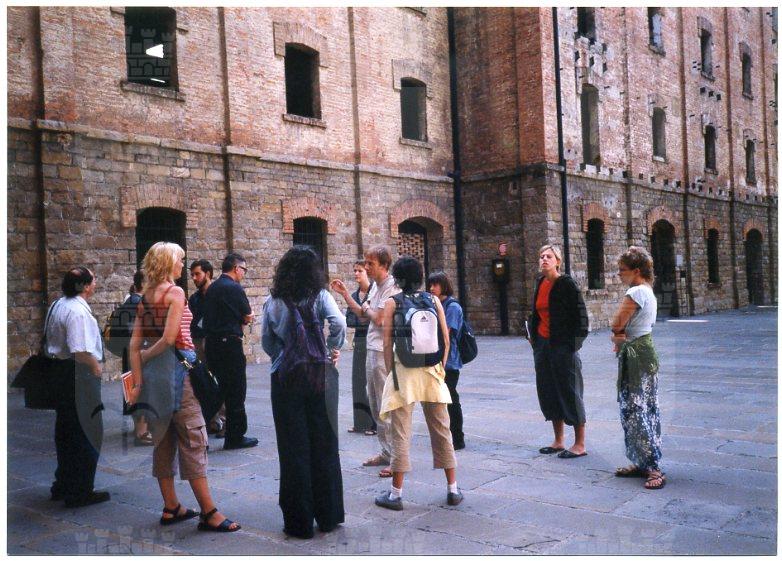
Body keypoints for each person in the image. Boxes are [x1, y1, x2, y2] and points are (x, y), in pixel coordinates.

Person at [128, 242, 240, 531]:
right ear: (168, 262)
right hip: (178, 372)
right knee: (193, 437)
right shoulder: (175, 292)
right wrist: (147, 355)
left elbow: (133, 344)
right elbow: (169, 339)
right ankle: (209, 512)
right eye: (179, 260)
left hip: (154, 377)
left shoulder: (146, 296)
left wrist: (138, 379)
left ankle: (171, 506)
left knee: (163, 439)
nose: (182, 265)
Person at [261, 247, 346, 539]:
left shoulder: (273, 301)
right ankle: (328, 515)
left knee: (292, 448)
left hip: (286, 379)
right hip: (319, 377)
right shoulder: (321, 296)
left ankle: (299, 522)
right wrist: (332, 349)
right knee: (324, 444)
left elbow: (266, 340)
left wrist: (282, 356)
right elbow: (339, 322)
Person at [374, 257, 463, 510]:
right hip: (432, 371)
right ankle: (453, 489)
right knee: (442, 429)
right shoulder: (433, 300)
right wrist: (440, 366)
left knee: (400, 432)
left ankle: (396, 494)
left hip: (404, 373)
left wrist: (392, 372)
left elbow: (387, 343)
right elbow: (445, 338)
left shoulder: (392, 303)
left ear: (399, 279)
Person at [331, 245, 399, 478]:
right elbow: (362, 313)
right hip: (372, 347)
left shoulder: (390, 287)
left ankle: (396, 457)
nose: (367, 267)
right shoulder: (375, 287)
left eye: (371, 263)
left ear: (384, 265)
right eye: (366, 263)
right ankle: (386, 452)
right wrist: (345, 295)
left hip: (383, 350)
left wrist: (368, 308)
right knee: (375, 402)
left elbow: (379, 319)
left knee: (386, 404)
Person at [46, 267, 110, 508]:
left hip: (61, 373)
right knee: (88, 431)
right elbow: (80, 350)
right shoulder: (77, 312)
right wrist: (96, 367)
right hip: (79, 375)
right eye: (93, 280)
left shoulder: (58, 305)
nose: (95, 283)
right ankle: (80, 490)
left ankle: (63, 484)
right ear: (84, 286)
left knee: (66, 430)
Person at [527, 244, 589, 459]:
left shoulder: (566, 284)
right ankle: (558, 440)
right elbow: (536, 313)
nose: (544, 259)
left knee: (570, 391)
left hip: (563, 346)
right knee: (548, 390)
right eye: (541, 256)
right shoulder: (540, 282)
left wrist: (572, 346)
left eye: (549, 256)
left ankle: (579, 444)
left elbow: (581, 317)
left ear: (558, 262)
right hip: (543, 345)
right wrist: (534, 338)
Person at [610, 246, 665, 490]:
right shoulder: (647, 291)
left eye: (622, 270)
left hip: (636, 354)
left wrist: (618, 337)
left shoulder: (636, 291)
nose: (619, 274)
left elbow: (616, 324)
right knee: (646, 407)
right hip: (645, 350)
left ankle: (652, 467)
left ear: (636, 270)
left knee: (636, 410)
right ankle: (643, 461)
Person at [203, 253, 258, 450]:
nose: (244, 274)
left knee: (218, 391)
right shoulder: (234, 287)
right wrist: (247, 318)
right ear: (236, 268)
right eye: (244, 270)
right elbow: (247, 315)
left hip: (212, 345)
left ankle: (196, 431)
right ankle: (235, 436)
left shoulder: (212, 288)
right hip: (229, 345)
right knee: (236, 391)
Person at [426, 271, 465, 450]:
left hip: (449, 361)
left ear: (444, 286)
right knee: (442, 399)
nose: (431, 288)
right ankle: (446, 435)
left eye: (435, 285)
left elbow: (445, 333)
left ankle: (457, 437)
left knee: (450, 398)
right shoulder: (435, 304)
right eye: (430, 285)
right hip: (437, 358)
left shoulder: (452, 307)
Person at [188, 259, 226, 438]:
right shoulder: (194, 298)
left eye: (197, 274)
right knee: (204, 380)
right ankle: (212, 420)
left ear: (208, 273)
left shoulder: (218, 293)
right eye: (192, 275)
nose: (194, 278)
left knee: (220, 379)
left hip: (215, 340)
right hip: (198, 341)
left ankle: (224, 420)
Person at [344, 260, 376, 435]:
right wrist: (363, 318)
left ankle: (373, 424)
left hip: (372, 340)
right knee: (357, 381)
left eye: (360, 271)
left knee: (372, 382)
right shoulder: (354, 296)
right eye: (355, 270)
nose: (356, 273)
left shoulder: (374, 292)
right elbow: (350, 320)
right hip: (359, 340)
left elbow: (373, 318)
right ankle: (360, 423)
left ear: (367, 272)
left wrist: (363, 318)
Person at [122, 271, 152, 446]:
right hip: (138, 352)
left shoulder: (130, 300)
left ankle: (139, 429)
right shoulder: (138, 302)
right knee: (140, 389)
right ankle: (142, 432)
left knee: (135, 387)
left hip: (131, 351)